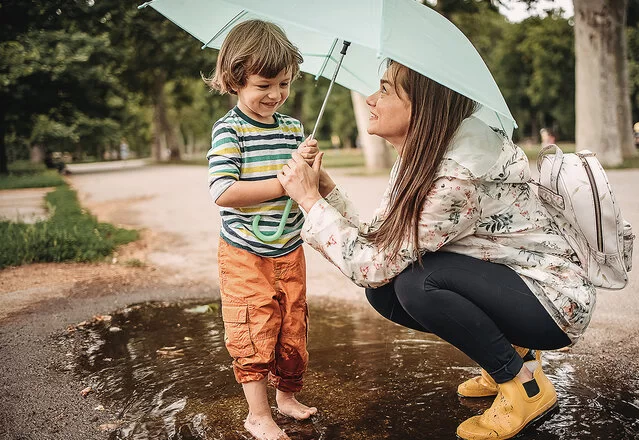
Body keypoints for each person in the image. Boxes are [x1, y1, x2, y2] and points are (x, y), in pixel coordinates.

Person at [278, 60, 596, 440]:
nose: (370, 100)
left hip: (553, 302)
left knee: (418, 285)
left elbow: (371, 265)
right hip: (515, 284)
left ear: (420, 106)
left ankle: (523, 387)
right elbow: (381, 239)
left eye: (384, 90)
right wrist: (326, 190)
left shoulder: (457, 176)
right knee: (386, 294)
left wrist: (311, 202)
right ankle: (515, 357)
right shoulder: (425, 154)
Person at [205, 19, 319, 440]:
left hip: (288, 248)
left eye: (284, 84)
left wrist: (308, 163)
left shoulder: (292, 129)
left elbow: (305, 183)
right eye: (264, 85)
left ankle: (286, 397)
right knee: (253, 325)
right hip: (245, 251)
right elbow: (222, 191)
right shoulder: (230, 130)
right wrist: (281, 183)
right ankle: (257, 414)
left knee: (293, 325)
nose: (275, 95)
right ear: (235, 80)